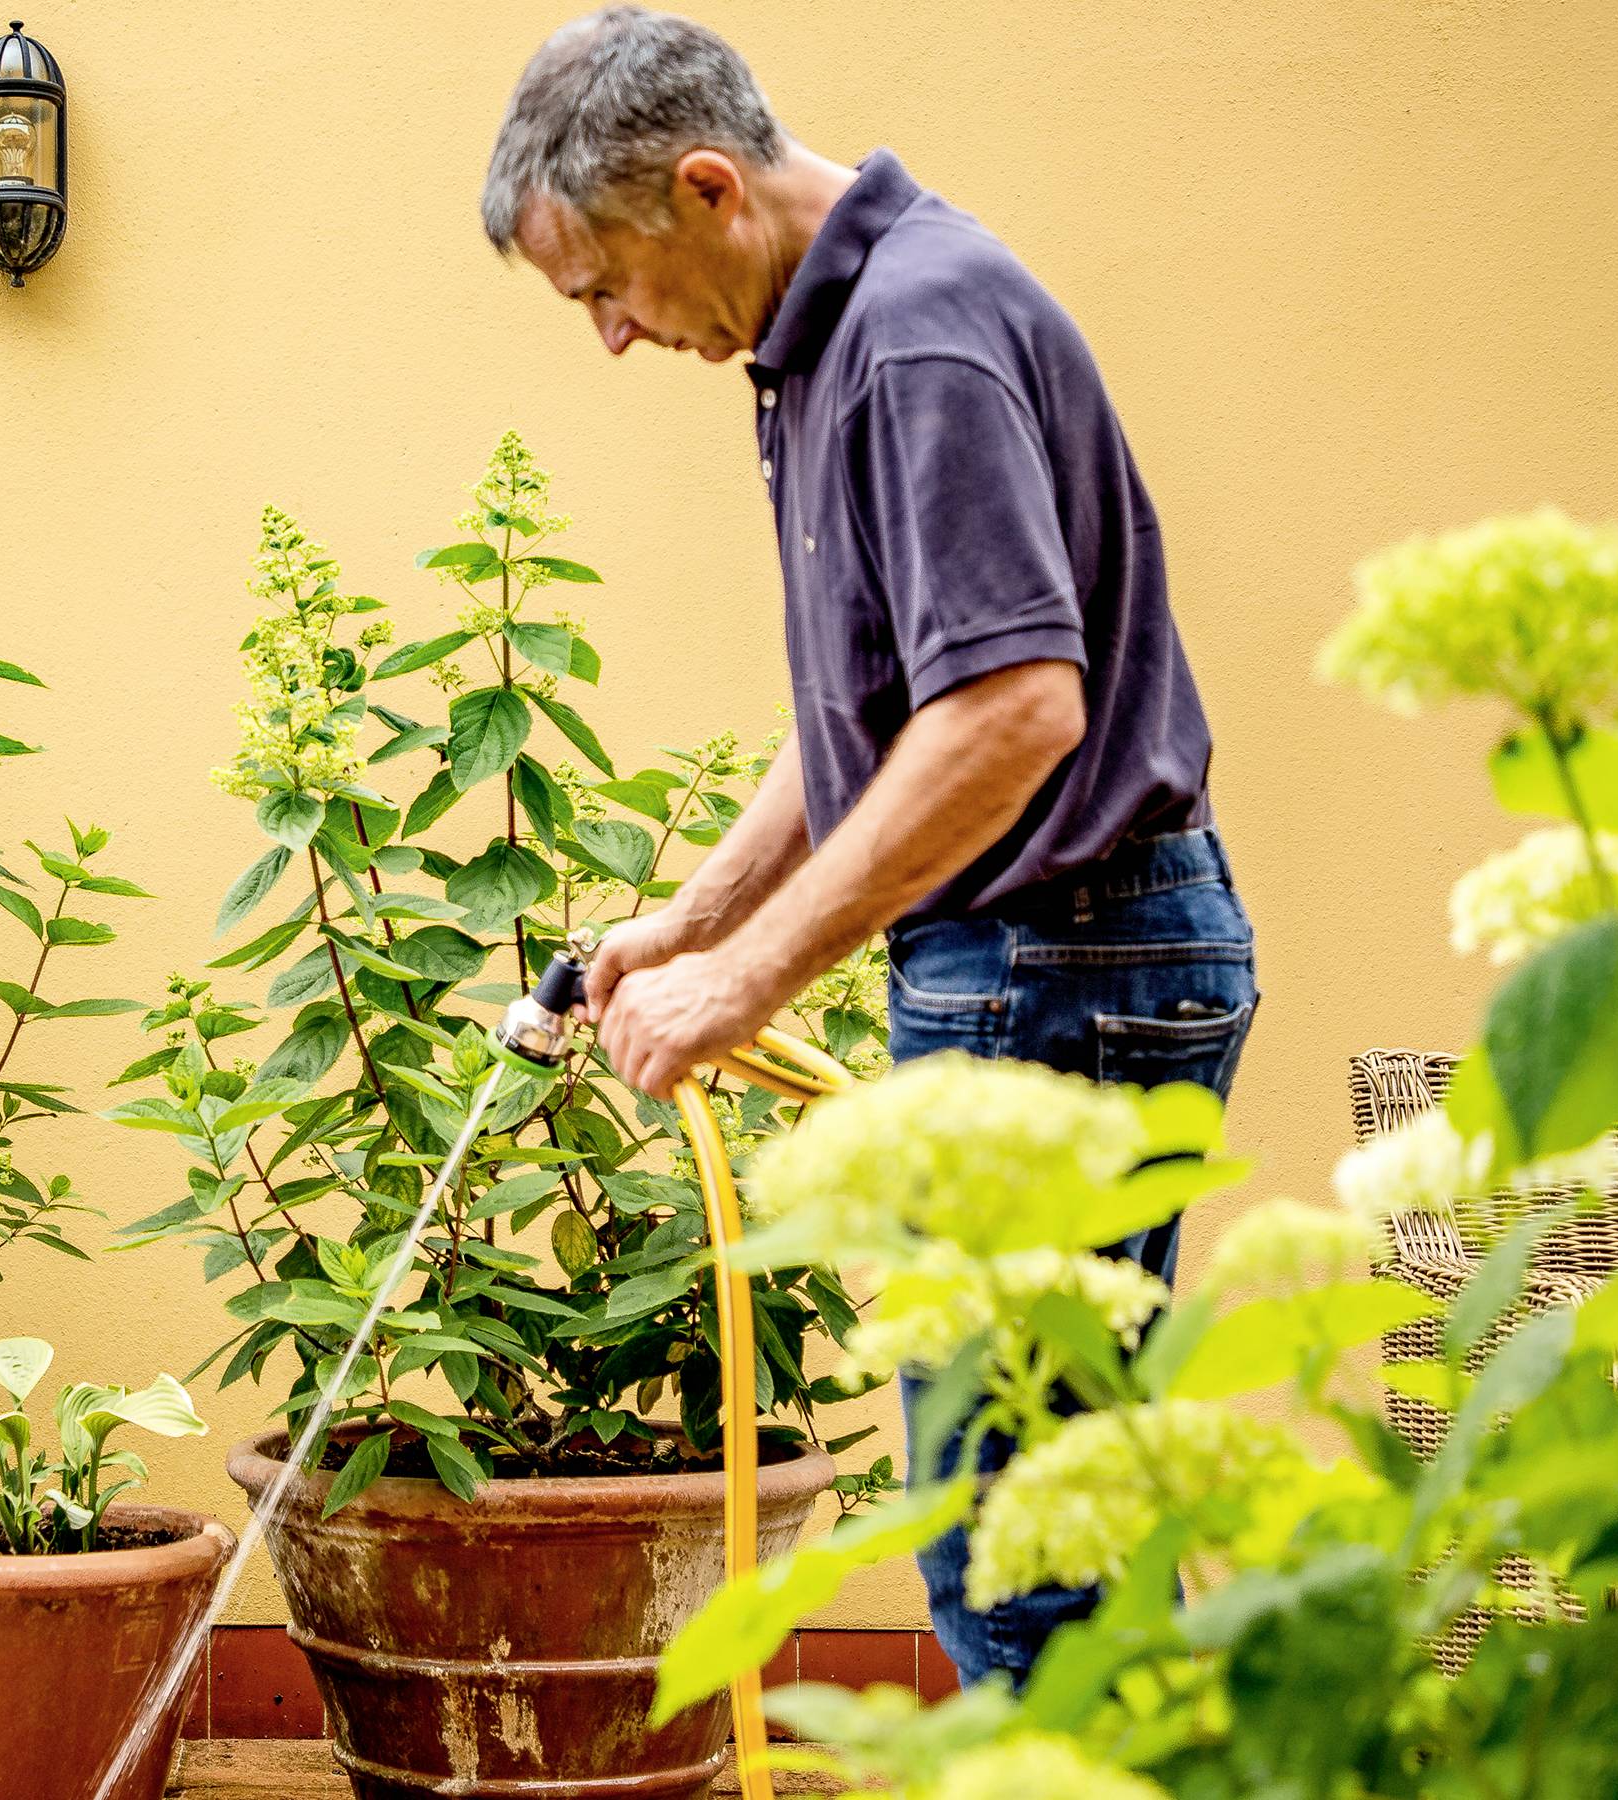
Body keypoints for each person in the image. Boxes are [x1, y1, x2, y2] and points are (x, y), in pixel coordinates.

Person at [478, 4, 1257, 1688]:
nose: (610, 336)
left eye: (603, 285)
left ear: (706, 190)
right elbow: (885, 706)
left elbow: (1014, 713)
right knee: (1058, 1522)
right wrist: (694, 923)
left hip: (1057, 962)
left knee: (1015, 1557)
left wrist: (747, 983)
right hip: (1065, 960)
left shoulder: (913, 338)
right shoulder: (832, 339)